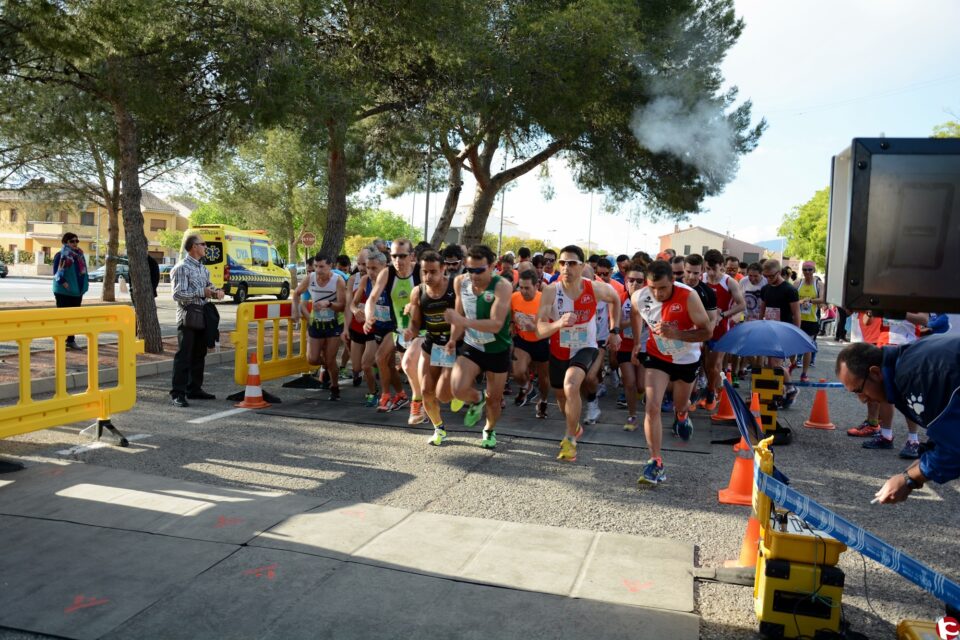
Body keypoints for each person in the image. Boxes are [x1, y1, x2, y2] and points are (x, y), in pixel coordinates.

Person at [836, 335, 960, 503]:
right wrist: (923, 459)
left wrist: (910, 479)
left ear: (875, 373)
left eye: (859, 390)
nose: (863, 400)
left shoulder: (913, 377)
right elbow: (947, 427)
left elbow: (954, 449)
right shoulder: (904, 364)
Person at [536, 245, 622, 462]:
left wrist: (614, 331)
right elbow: (539, 329)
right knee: (561, 397)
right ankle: (574, 427)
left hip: (586, 346)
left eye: (572, 263)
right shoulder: (550, 291)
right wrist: (558, 323)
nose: (566, 267)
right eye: (563, 263)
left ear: (582, 266)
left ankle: (569, 439)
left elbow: (616, 300)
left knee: (571, 385)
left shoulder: (594, 288)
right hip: (558, 349)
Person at [631, 260, 712, 485]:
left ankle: (682, 415)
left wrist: (676, 334)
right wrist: (638, 342)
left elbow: (707, 332)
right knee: (652, 406)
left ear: (673, 281)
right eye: (653, 287)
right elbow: (635, 314)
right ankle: (655, 461)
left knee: (680, 404)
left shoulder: (689, 297)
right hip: (658, 357)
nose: (657, 293)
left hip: (687, 359)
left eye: (663, 288)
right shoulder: (640, 296)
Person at [445, 244, 514, 449]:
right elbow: (460, 316)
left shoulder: (502, 286)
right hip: (472, 345)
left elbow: (495, 325)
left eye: (479, 270)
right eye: (470, 270)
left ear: (492, 266)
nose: (474, 275)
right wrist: (452, 339)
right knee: (457, 389)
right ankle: (476, 399)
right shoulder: (460, 282)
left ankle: (489, 429)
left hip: (497, 349)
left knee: (494, 400)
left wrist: (463, 323)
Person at [404, 251, 458, 446]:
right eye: (424, 272)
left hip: (454, 344)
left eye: (433, 272)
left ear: (443, 269)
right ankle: (439, 428)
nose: (428, 277)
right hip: (431, 343)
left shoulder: (454, 287)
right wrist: (410, 331)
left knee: (444, 394)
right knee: (426, 390)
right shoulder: (417, 292)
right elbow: (416, 322)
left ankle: (464, 393)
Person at [363, 238, 417, 413]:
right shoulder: (388, 273)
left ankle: (419, 401)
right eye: (394, 256)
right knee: (381, 358)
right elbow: (372, 298)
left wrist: (415, 306)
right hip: (398, 328)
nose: (398, 260)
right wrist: (368, 317)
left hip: (420, 330)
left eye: (402, 256)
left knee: (413, 370)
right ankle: (389, 395)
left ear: (412, 256)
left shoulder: (420, 272)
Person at [170, 234, 224, 407]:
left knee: (200, 353)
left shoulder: (203, 268)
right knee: (184, 355)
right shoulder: (181, 268)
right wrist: (202, 292)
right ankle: (178, 393)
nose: (206, 247)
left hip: (202, 316)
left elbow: (208, 285)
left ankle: (194, 388)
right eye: (203, 244)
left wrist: (217, 291)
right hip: (187, 316)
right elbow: (177, 294)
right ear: (194, 247)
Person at [293, 253, 346, 400]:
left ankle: (334, 387)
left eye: (321, 266)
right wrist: (295, 311)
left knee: (330, 359)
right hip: (316, 323)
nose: (318, 270)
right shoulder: (310, 278)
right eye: (316, 266)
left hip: (333, 324)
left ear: (330, 266)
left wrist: (328, 304)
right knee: (312, 359)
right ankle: (330, 366)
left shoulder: (338, 280)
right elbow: (296, 294)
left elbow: (343, 305)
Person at [701, 249, 745, 410]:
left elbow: (742, 305)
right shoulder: (702, 279)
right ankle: (715, 388)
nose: (711, 273)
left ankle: (712, 393)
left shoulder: (729, 282)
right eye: (708, 269)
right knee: (706, 363)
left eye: (715, 269)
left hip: (721, 329)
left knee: (715, 363)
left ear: (722, 267)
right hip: (704, 326)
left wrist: (724, 314)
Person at [347, 250, 388, 406]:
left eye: (373, 268)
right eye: (367, 267)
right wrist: (355, 310)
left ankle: (374, 393)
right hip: (361, 327)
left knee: (366, 364)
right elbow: (352, 303)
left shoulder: (389, 280)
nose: (369, 271)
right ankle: (378, 377)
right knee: (357, 367)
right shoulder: (364, 280)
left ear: (384, 267)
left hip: (378, 328)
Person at [758, 259, 800, 408]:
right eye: (766, 276)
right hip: (768, 330)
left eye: (771, 276)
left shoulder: (789, 290)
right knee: (770, 364)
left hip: (784, 332)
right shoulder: (765, 289)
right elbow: (762, 309)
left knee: (776, 363)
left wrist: (795, 335)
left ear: (779, 272)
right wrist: (759, 326)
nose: (768, 279)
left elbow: (796, 314)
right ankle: (785, 390)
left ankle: (785, 390)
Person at [511, 270, 551, 416]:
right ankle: (527, 387)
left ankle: (544, 401)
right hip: (522, 340)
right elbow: (510, 314)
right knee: (517, 372)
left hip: (541, 341)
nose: (523, 291)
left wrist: (534, 327)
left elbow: (551, 325)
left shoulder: (544, 300)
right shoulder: (514, 297)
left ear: (537, 286)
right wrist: (511, 325)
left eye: (527, 288)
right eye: (520, 287)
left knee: (544, 379)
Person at [618, 261, 647, 432]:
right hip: (625, 345)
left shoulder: (651, 299)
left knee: (641, 385)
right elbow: (616, 325)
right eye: (631, 280)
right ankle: (632, 415)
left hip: (644, 346)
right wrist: (635, 319)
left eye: (639, 281)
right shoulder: (620, 299)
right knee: (629, 382)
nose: (634, 284)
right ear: (626, 281)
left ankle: (640, 396)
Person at [52, 232, 89, 350]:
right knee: (63, 317)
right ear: (65, 242)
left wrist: (84, 285)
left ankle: (71, 340)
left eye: (76, 241)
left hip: (77, 291)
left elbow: (83, 272)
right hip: (64, 291)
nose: (75, 243)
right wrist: (64, 283)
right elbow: (56, 273)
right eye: (72, 241)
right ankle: (61, 341)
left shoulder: (80, 255)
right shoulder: (61, 255)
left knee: (73, 318)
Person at [795, 261, 825, 383]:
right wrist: (799, 302)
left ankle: (804, 373)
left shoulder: (819, 284)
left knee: (807, 347)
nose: (807, 272)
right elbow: (790, 298)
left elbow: (823, 298)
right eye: (804, 269)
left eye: (809, 270)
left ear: (814, 270)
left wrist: (810, 300)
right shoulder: (797, 283)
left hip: (811, 319)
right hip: (797, 318)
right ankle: (791, 368)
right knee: (793, 345)